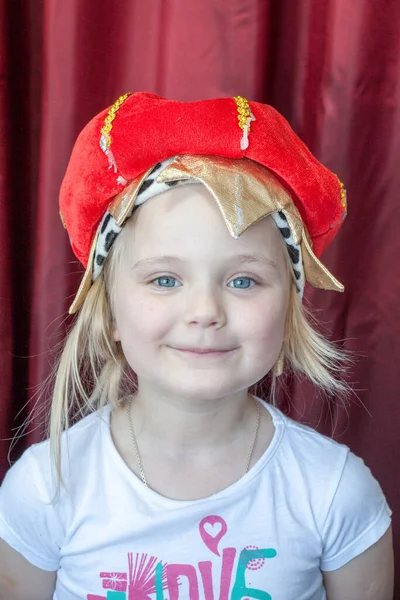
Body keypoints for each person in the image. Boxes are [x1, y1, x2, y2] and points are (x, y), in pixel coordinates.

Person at [0, 92, 394, 600]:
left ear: (288, 311)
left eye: (244, 281)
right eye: (165, 280)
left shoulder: (336, 492)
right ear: (112, 313)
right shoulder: (44, 489)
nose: (205, 310)